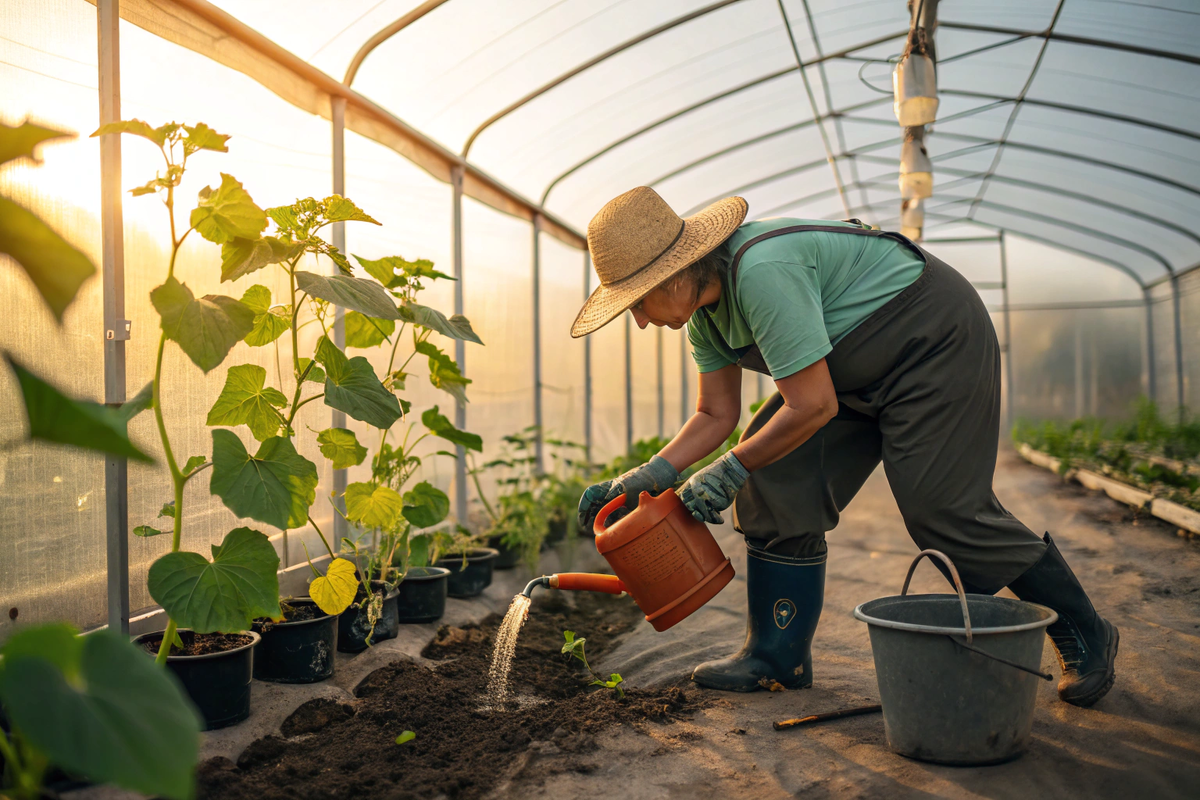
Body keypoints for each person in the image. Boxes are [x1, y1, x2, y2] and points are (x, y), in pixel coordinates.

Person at [571, 186, 1118, 708]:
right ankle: (775, 657)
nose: (640, 321)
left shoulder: (763, 272)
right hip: (848, 377)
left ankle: (1084, 630)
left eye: (638, 303)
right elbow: (716, 413)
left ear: (674, 274)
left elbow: (811, 406)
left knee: (941, 509)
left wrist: (730, 466)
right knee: (773, 482)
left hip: (932, 344)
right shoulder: (704, 321)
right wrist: (647, 474)